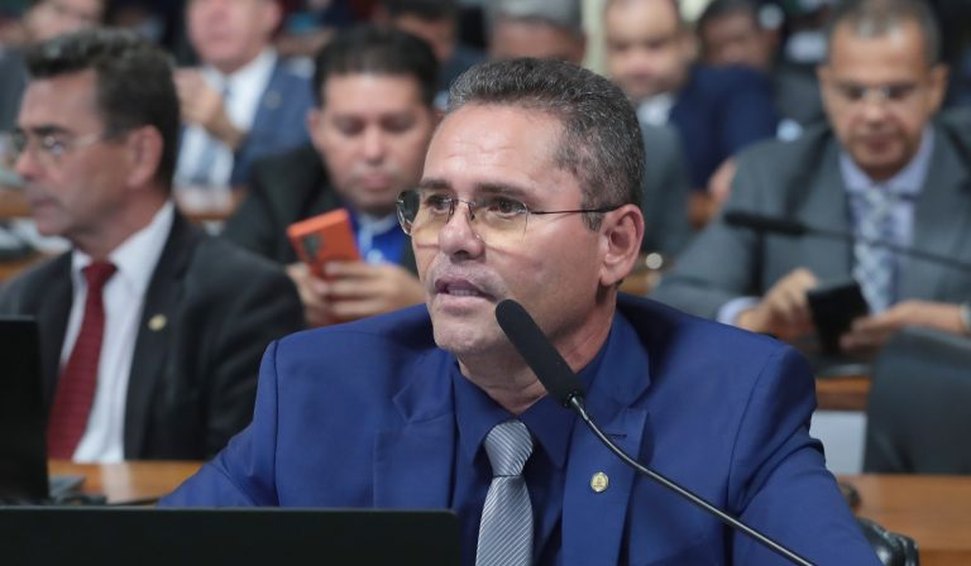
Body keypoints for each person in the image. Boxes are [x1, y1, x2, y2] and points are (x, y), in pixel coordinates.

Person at [162, 56, 878, 565]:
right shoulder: (320, 384)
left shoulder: (735, 401)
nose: (454, 238)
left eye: (504, 207)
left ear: (616, 244)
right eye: (436, 202)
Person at [0, 29, 304, 461]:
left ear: (140, 154)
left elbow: (238, 486)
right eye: (22, 142)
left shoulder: (244, 299)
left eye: (53, 143)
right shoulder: (23, 298)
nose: (25, 167)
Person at [652, 0, 971, 357]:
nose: (873, 114)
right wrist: (754, 316)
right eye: (853, 93)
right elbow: (676, 296)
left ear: (935, 87)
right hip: (816, 388)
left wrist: (960, 320)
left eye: (896, 93)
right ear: (825, 85)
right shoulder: (770, 174)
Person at [222, 25, 435, 327]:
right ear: (316, 129)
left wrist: (429, 307)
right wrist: (275, 295)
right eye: (350, 129)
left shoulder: (472, 201)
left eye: (397, 126)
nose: (373, 151)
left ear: (436, 124)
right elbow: (218, 289)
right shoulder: (282, 186)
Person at [487, 0, 693, 257]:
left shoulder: (653, 147)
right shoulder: (457, 144)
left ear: (581, 46)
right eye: (513, 69)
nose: (532, 87)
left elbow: (673, 261)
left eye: (551, 67)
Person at [603, 0, 778, 226]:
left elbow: (748, 187)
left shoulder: (734, 91)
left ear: (686, 41)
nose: (637, 64)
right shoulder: (594, 110)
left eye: (655, 45)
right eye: (621, 47)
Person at [174, 0, 314, 188]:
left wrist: (232, 136)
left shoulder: (306, 93)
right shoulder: (167, 89)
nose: (215, 12)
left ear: (269, 14)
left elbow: (303, 181)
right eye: (202, 2)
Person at [696, 0, 826, 139]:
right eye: (716, 48)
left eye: (740, 40)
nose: (731, 56)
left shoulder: (812, 100)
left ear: (769, 37)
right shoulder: (696, 109)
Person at [0, 0, 106, 133]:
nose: (71, 26)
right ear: (33, 12)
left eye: (85, 18)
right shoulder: (4, 63)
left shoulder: (99, 87)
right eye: (60, 11)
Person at [375, 0, 485, 109]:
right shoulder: (368, 77)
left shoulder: (477, 74)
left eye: (445, 40)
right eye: (420, 44)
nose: (437, 54)